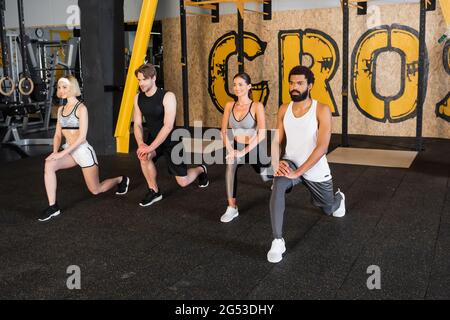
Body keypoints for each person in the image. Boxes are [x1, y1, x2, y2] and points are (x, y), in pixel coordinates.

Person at [267, 65, 346, 263]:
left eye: (300, 83)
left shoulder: (322, 109)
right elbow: (276, 140)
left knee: (328, 209)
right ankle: (278, 240)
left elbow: (322, 147)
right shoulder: (284, 109)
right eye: (292, 83)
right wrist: (276, 164)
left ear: (310, 85)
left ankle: (339, 199)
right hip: (291, 163)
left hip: (315, 168)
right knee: (278, 183)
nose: (295, 87)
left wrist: (299, 172)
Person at [39, 76, 129, 222]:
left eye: (64, 87)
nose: (61, 90)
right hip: (69, 150)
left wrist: (61, 153)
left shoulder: (81, 109)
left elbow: (81, 138)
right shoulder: (61, 110)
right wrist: (55, 153)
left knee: (95, 189)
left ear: (72, 88)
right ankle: (53, 206)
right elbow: (57, 135)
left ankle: (120, 179)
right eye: (59, 87)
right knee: (49, 165)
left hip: (82, 151)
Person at [133, 63, 208, 207]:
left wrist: (150, 147)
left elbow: (167, 126)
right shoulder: (138, 98)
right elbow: (137, 124)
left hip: (172, 141)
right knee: (144, 156)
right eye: (139, 80)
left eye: (144, 79)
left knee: (183, 182)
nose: (141, 83)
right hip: (154, 138)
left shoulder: (168, 96)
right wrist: (141, 144)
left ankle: (201, 169)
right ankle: (154, 191)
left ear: (153, 78)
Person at [220, 72, 272, 223]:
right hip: (236, 146)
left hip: (254, 147)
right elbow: (223, 131)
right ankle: (232, 207)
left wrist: (242, 152)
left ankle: (275, 179)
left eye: (241, 84)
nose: (237, 88)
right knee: (231, 164)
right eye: (235, 84)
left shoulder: (256, 106)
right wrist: (231, 150)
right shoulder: (229, 105)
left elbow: (261, 134)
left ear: (249, 86)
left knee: (265, 173)